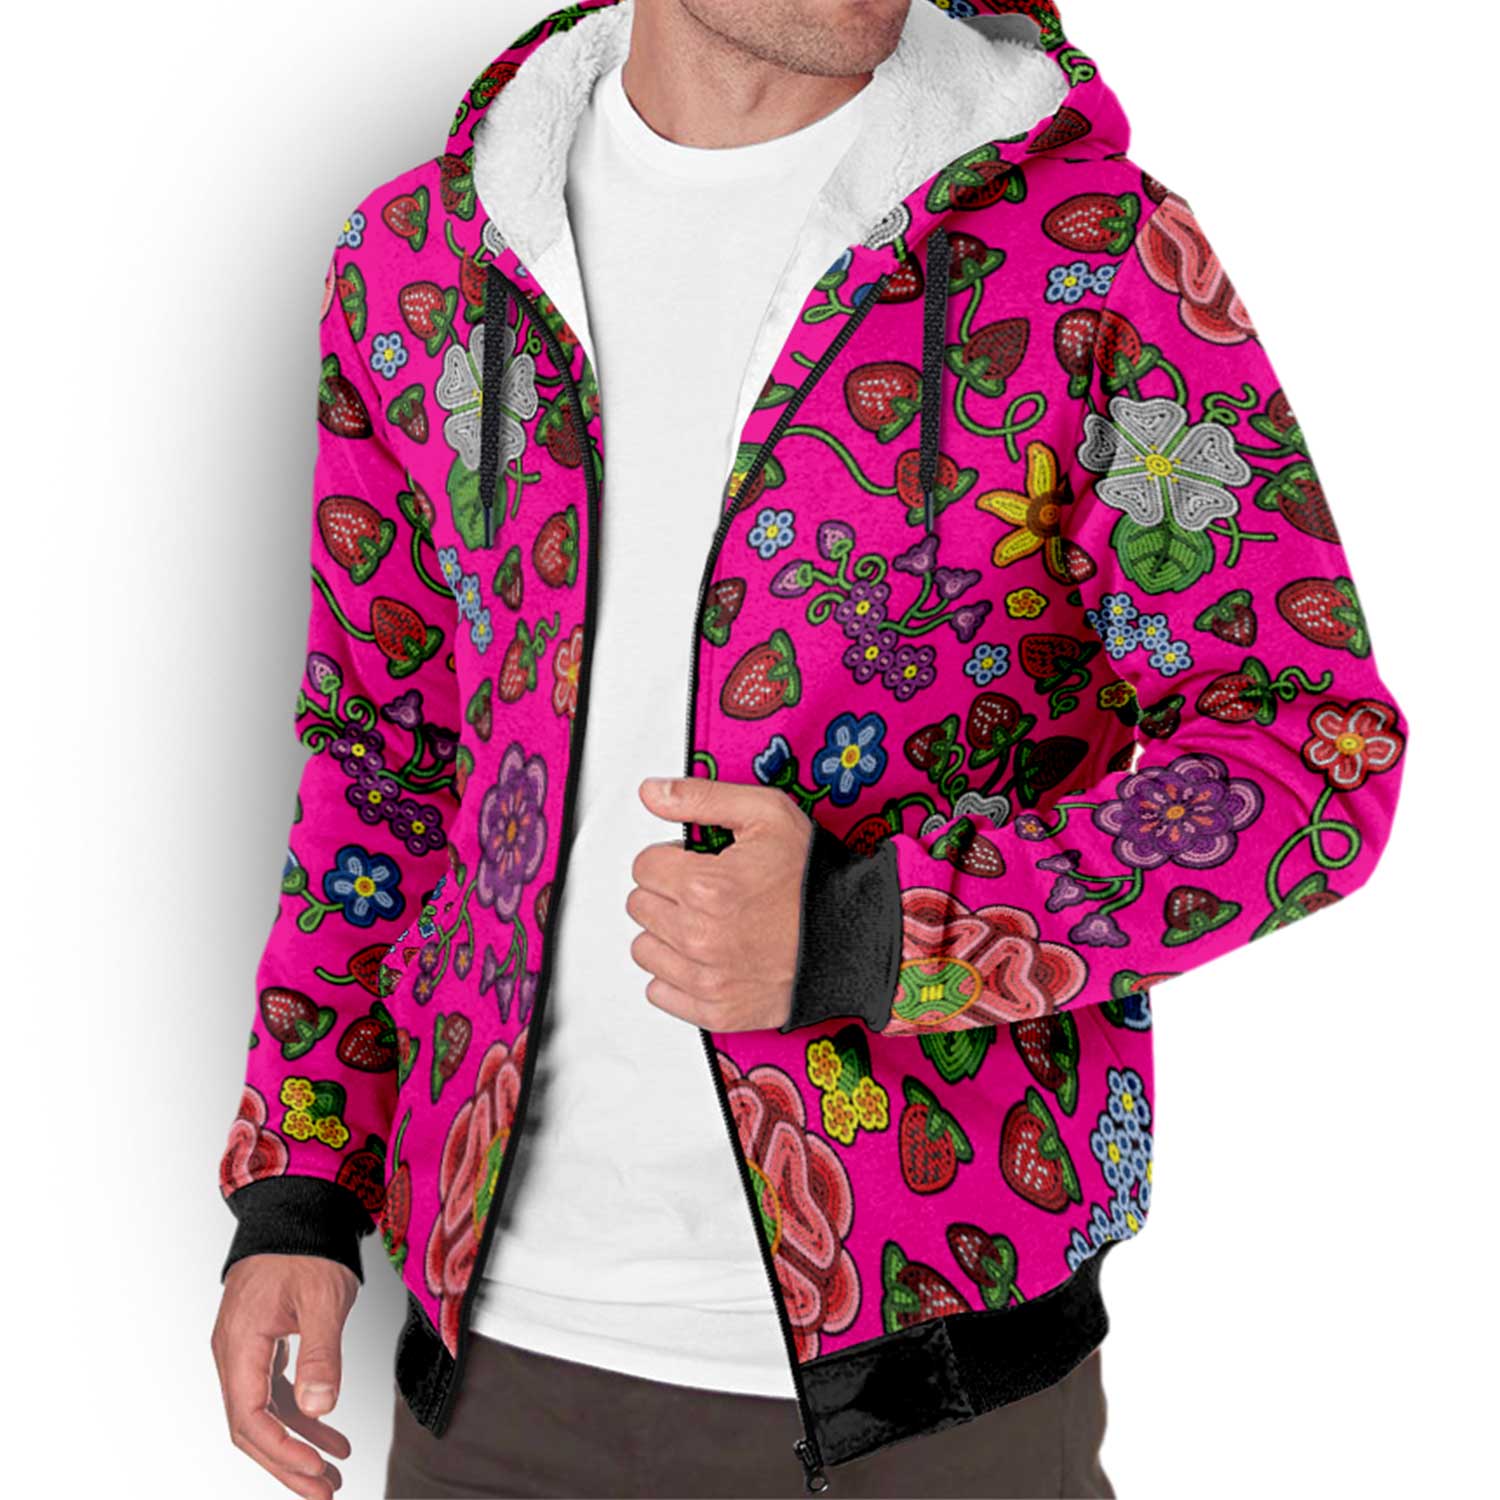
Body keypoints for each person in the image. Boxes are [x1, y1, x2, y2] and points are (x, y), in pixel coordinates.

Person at [210, 1, 1408, 1496]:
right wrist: (301, 1183)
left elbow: (1309, 748)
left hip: (929, 1396)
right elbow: (383, 751)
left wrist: (875, 932)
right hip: (492, 1374)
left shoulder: (1093, 255)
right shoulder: (418, 264)